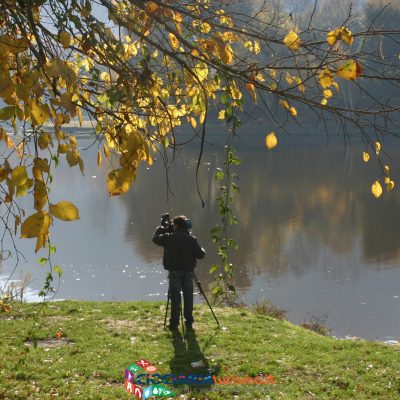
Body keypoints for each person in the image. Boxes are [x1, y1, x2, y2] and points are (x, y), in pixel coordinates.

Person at [153, 215, 205, 331]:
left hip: (174, 272)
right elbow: (201, 255)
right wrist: (201, 248)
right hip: (188, 272)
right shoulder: (191, 239)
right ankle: (189, 322)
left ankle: (174, 324)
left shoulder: (169, 238)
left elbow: (155, 238)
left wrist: (161, 228)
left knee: (175, 298)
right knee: (188, 297)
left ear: (175, 226)